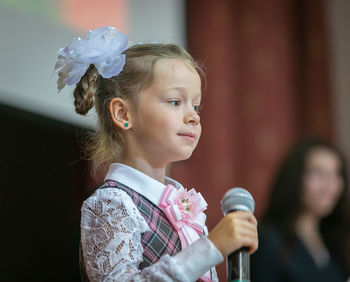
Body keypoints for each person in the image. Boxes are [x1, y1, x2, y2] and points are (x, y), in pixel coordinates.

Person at [54, 26, 258, 281]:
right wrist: (212, 248)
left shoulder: (185, 208)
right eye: (175, 102)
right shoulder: (112, 204)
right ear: (123, 114)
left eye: (195, 105)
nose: (193, 116)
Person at [251, 137, 350, 282]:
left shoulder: (337, 241)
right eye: (318, 173)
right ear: (296, 177)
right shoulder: (269, 240)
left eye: (336, 174)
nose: (330, 185)